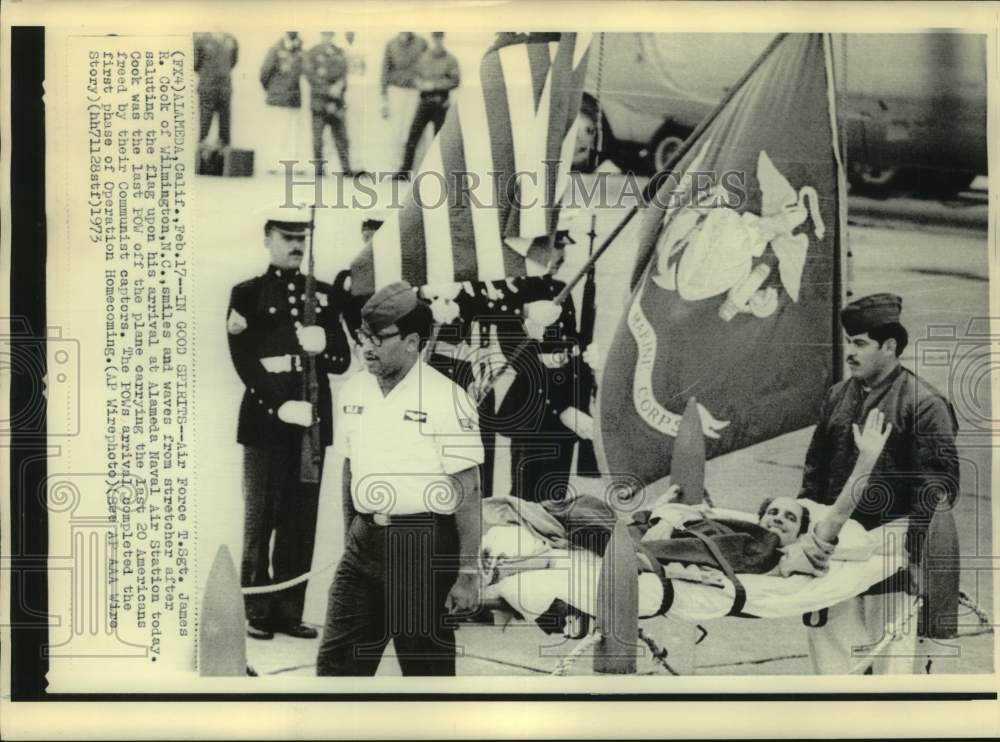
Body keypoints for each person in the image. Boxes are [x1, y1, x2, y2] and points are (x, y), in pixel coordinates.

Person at [316, 281, 484, 676]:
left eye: (378, 338)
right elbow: (350, 469)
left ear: (412, 342)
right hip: (364, 544)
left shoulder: (447, 398)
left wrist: (467, 574)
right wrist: (352, 537)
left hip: (422, 546)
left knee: (426, 677)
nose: (367, 347)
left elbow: (469, 491)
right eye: (363, 336)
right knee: (335, 669)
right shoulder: (354, 390)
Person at [797, 292, 960, 673]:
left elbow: (938, 494)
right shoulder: (839, 395)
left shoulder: (923, 404)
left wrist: (914, 565)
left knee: (890, 669)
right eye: (848, 342)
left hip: (891, 562)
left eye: (859, 343)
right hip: (833, 557)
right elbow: (814, 473)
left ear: (889, 346)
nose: (849, 352)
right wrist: (808, 534)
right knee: (832, 666)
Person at [227, 208, 352, 639]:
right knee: (262, 517)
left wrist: (324, 347)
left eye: (302, 237)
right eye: (287, 237)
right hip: (267, 425)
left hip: (311, 428)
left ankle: (288, 608)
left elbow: (341, 360)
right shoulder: (247, 294)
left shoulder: (322, 295)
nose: (297, 245)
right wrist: (278, 407)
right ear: (268, 238)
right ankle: (257, 608)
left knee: (301, 521)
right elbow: (244, 360)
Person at [492, 229, 596, 503]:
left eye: (562, 253)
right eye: (555, 249)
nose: (560, 256)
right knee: (526, 498)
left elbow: (572, 348)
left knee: (556, 497)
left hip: (565, 413)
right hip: (534, 412)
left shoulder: (561, 289)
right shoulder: (515, 292)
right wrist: (560, 408)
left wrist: (587, 360)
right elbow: (518, 355)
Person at [400, 31, 460, 176]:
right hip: (424, 102)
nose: (437, 41)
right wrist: (421, 83)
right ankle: (404, 170)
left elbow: (455, 80)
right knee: (413, 136)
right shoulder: (423, 58)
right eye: (435, 38)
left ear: (443, 39)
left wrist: (435, 85)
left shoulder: (450, 59)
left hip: (440, 103)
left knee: (439, 139)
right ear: (432, 39)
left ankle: (439, 172)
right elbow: (415, 76)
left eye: (439, 38)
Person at [303, 32, 352, 175]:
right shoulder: (312, 53)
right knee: (318, 139)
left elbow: (344, 75)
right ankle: (319, 170)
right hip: (319, 103)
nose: (327, 37)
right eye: (325, 34)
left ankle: (346, 169)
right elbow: (311, 77)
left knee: (342, 137)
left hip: (337, 102)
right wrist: (328, 91)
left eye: (329, 34)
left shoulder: (339, 52)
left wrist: (339, 88)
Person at [379, 32, 427, 173]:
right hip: (396, 90)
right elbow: (385, 70)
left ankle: (418, 167)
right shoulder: (391, 43)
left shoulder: (421, 42)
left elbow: (428, 64)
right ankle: (395, 168)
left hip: (415, 91)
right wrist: (384, 97)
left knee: (415, 128)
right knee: (396, 130)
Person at [259, 32, 305, 173]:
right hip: (277, 99)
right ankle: (272, 164)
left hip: (293, 99)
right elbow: (264, 73)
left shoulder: (301, 52)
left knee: (292, 133)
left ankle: (291, 164)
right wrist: (274, 90)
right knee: (276, 132)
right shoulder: (275, 49)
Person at [193, 32, 238, 149]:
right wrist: (208, 74)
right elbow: (195, 63)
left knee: (225, 123)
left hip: (225, 87)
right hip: (207, 86)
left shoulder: (231, 40)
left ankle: (223, 147)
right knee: (205, 119)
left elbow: (233, 62)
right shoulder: (201, 40)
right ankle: (201, 145)